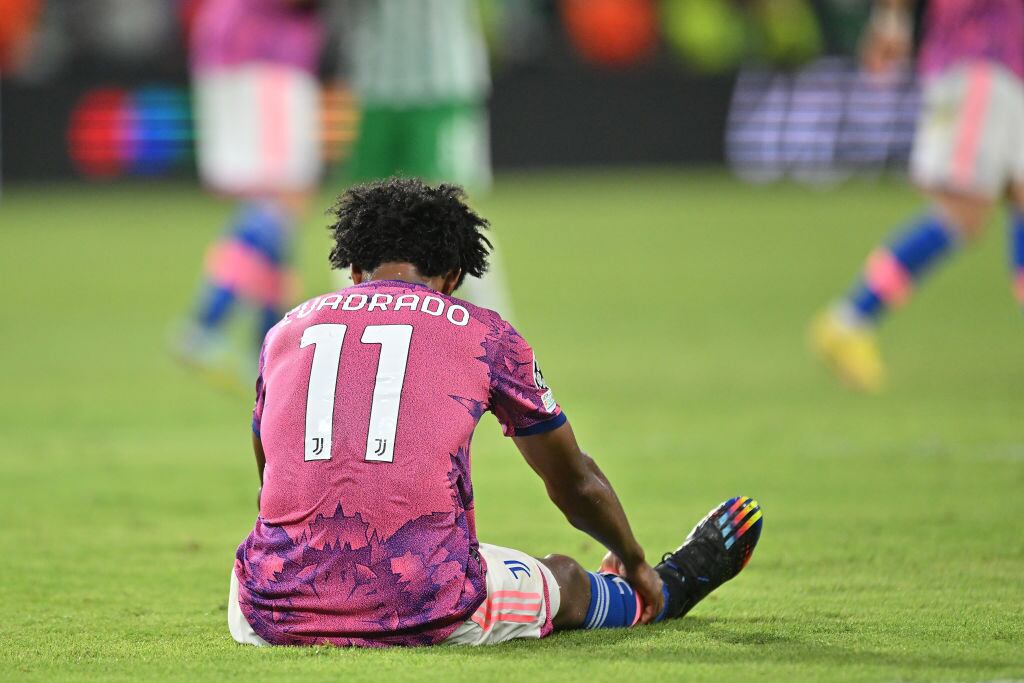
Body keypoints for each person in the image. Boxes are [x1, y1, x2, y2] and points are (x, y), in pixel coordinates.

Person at [227, 177, 763, 647]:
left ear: (354, 269)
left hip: (267, 610)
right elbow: (573, 481)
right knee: (565, 576)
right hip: (426, 609)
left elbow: (270, 476)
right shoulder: (484, 333)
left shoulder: (286, 331)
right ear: (455, 275)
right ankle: (659, 594)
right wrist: (633, 557)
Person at [812, 0, 1024, 392]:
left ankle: (850, 320)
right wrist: (890, 19)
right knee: (962, 213)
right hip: (979, 58)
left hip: (1008, 65)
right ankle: (850, 320)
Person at [171, 0, 325, 388]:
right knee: (279, 199)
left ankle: (267, 348)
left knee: (276, 207)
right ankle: (205, 326)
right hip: (267, 59)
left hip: (237, 51)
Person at [338, 0, 513, 316]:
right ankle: (349, 326)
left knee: (453, 212)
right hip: (376, 81)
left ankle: (497, 335)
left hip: (439, 81)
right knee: (360, 215)